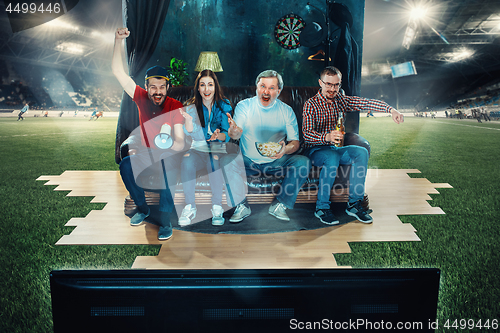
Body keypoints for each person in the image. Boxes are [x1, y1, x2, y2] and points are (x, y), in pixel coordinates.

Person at [302, 66, 404, 225]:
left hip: (334, 148)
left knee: (361, 152)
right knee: (332, 157)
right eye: (329, 84)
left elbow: (365, 102)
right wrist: (327, 137)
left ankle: (354, 204)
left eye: (336, 85)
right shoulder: (311, 104)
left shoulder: (340, 101)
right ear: (320, 83)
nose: (333, 89)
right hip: (314, 149)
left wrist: (391, 110)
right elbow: (307, 134)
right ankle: (321, 208)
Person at [112, 27, 185, 241]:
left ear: (168, 87)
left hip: (167, 156)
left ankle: (164, 221)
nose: (157, 92)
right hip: (146, 154)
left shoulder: (175, 105)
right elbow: (118, 72)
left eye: (162, 87)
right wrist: (117, 41)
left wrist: (171, 147)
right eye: (153, 87)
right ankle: (142, 209)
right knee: (125, 164)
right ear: (146, 87)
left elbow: (180, 141)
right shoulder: (141, 97)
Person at [221, 70, 311, 223]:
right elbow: (235, 134)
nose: (266, 91)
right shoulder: (244, 106)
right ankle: (241, 206)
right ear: (256, 87)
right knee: (226, 160)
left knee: (303, 163)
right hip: (248, 161)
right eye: (263, 86)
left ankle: (280, 205)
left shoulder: (287, 111)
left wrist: (285, 150)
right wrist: (233, 131)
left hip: (276, 162)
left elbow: (295, 143)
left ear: (279, 91)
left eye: (271, 88)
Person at [178, 69, 231, 226]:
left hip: (216, 150)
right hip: (197, 149)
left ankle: (217, 206)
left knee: (214, 162)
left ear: (215, 86)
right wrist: (188, 124)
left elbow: (226, 134)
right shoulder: (190, 106)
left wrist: (218, 136)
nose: (206, 89)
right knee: (186, 160)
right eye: (202, 85)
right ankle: (190, 207)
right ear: (198, 88)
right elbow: (188, 132)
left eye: (210, 85)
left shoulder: (224, 105)